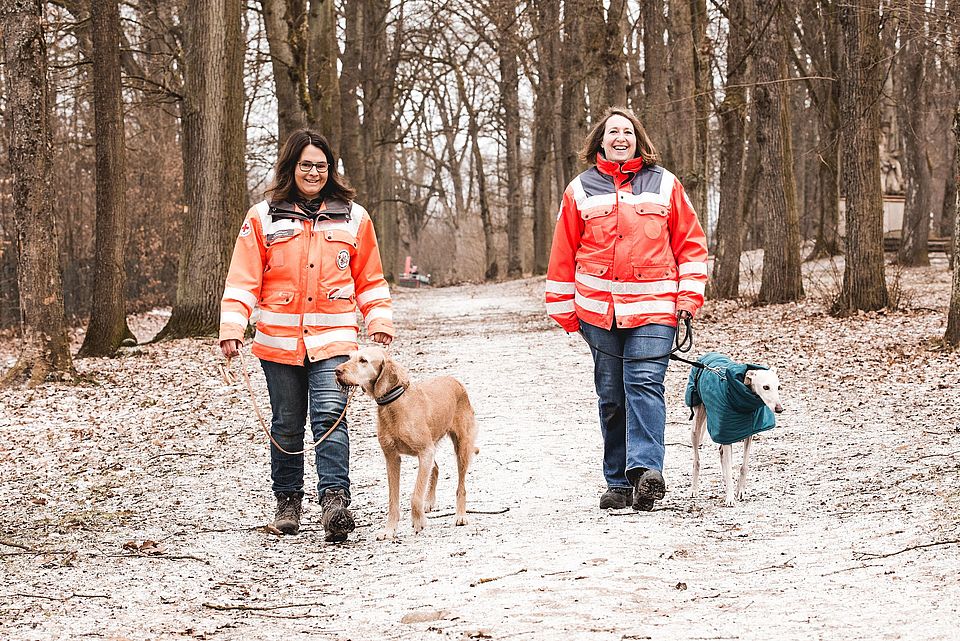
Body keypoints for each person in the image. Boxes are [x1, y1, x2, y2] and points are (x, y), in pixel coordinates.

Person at [219, 129, 394, 541]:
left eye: (321, 165)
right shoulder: (263, 216)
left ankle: (335, 502)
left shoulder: (354, 216)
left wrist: (379, 322)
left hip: (335, 341)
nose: (313, 172)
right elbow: (243, 279)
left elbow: (370, 279)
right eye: (305, 165)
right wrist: (232, 328)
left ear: (330, 169)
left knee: (330, 418)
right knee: (285, 424)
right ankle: (288, 502)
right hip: (278, 344)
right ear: (291, 167)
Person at [545, 106, 708, 511]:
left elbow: (690, 244)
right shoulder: (579, 189)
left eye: (628, 131)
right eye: (613, 131)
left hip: (655, 308)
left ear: (639, 140)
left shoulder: (665, 184)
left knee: (644, 383)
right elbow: (563, 252)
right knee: (612, 395)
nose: (621, 137)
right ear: (600, 140)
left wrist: (688, 298)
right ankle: (617, 483)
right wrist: (565, 309)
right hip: (599, 312)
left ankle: (646, 473)